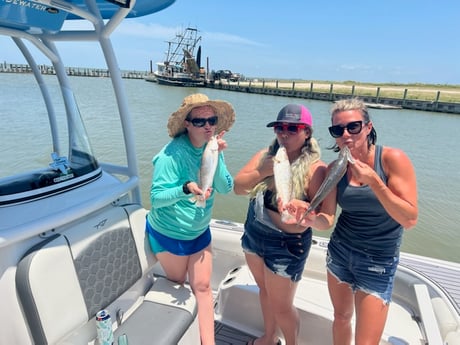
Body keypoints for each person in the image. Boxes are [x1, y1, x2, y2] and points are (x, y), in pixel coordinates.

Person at [287, 98, 418, 345]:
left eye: (353, 127)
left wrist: (375, 182)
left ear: (368, 127)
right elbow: (327, 219)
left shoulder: (392, 160)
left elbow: (409, 218)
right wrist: (306, 216)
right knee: (341, 317)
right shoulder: (337, 167)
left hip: (377, 260)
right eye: (338, 130)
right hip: (340, 253)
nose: (346, 134)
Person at [233, 104, 336, 345]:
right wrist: (262, 171)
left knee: (282, 307)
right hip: (254, 235)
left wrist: (309, 216)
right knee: (264, 292)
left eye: (293, 128)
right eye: (280, 128)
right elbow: (238, 187)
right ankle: (269, 338)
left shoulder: (317, 170)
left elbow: (326, 221)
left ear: (307, 132)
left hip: (286, 246)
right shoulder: (266, 156)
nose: (284, 133)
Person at [145, 93, 235, 345]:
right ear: (187, 123)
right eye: (199, 121)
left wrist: (217, 157)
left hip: (200, 232)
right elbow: (156, 198)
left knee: (204, 288)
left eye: (212, 120)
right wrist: (185, 189)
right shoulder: (170, 155)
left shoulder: (213, 147)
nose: (207, 125)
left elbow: (225, 187)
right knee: (177, 283)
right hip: (169, 233)